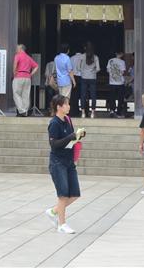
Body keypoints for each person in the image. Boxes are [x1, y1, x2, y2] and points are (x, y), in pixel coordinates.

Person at [44, 95, 84, 235]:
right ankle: (62, 224)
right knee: (63, 195)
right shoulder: (54, 123)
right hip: (57, 162)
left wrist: (77, 137)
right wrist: (70, 137)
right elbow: (54, 144)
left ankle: (53, 211)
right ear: (59, 107)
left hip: (68, 160)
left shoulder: (67, 120)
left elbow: (70, 139)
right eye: (66, 104)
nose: (69, 106)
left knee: (75, 193)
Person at [12, 44, 39, 117]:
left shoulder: (18, 55)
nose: (16, 50)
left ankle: (21, 110)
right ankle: (25, 111)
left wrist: (14, 73)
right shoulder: (28, 57)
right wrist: (31, 74)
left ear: (21, 49)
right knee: (26, 95)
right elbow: (36, 66)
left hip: (19, 76)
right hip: (27, 77)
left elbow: (15, 64)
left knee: (16, 93)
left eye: (17, 48)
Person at [77, 43, 100, 119]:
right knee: (93, 95)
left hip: (84, 77)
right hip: (92, 78)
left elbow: (78, 68)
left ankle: (83, 113)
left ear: (85, 48)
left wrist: (83, 71)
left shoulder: (81, 56)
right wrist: (92, 71)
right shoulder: (95, 57)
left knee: (83, 95)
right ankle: (92, 113)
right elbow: (98, 69)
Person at [107, 50, 129, 118]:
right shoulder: (122, 62)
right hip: (120, 82)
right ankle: (119, 112)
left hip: (112, 82)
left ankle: (112, 110)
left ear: (116, 53)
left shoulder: (110, 60)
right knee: (120, 98)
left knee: (112, 97)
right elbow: (123, 72)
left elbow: (108, 70)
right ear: (121, 54)